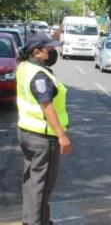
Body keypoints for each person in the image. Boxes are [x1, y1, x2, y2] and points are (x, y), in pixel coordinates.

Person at [17, 32, 72, 225]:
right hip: (43, 137)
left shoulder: (24, 66)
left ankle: (36, 220)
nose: (53, 52)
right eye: (49, 49)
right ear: (37, 52)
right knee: (41, 186)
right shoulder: (39, 75)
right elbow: (47, 106)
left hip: (26, 131)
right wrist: (61, 135)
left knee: (31, 182)